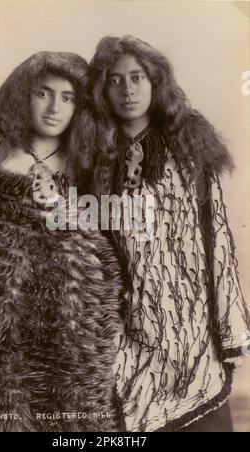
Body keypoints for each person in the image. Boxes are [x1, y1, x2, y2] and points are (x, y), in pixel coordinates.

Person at [0, 51, 122, 432]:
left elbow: (109, 250)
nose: (54, 108)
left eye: (68, 97)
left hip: (72, 332)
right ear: (22, 96)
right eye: (43, 93)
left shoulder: (91, 166)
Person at [89, 35, 250, 432]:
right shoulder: (90, 156)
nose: (128, 90)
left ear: (155, 81)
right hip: (127, 333)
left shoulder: (190, 145)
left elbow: (218, 242)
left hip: (193, 330)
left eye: (137, 77)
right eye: (115, 80)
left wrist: (230, 330)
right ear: (102, 89)